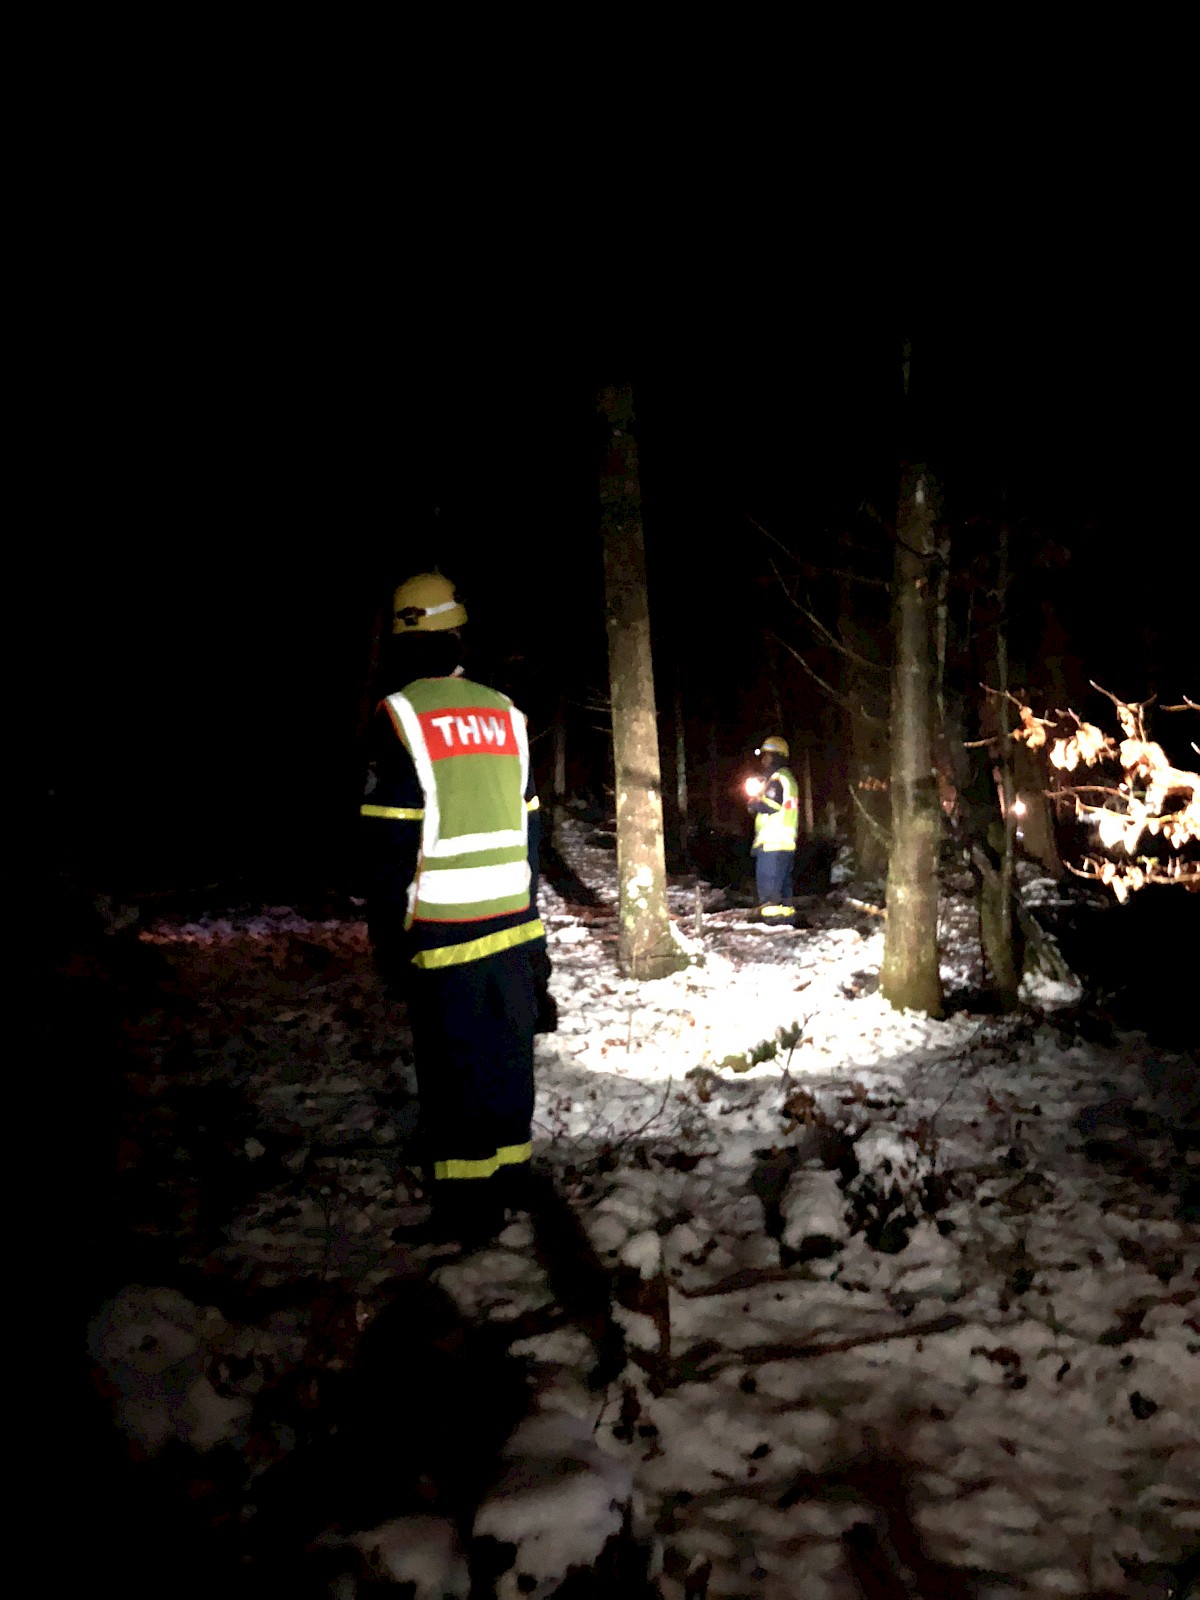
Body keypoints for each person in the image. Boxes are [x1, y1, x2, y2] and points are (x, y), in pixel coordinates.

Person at [360, 572, 553, 1245]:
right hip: (513, 922)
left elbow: (390, 839)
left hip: (443, 931)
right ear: (459, 636)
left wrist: (388, 935)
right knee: (506, 1062)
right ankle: (511, 1182)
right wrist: (535, 938)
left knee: (452, 1075)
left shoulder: (399, 717)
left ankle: (467, 1213)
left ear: (402, 641)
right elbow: (531, 830)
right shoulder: (507, 713)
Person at [746, 735, 799, 923]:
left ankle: (772, 924)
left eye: (767, 755)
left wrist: (754, 804)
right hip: (784, 844)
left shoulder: (777, 779)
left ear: (777, 756)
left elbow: (772, 805)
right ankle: (786, 923)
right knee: (783, 893)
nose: (764, 760)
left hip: (772, 845)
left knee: (770, 895)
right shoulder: (787, 778)